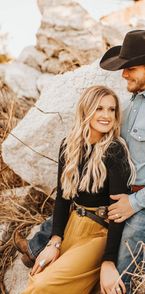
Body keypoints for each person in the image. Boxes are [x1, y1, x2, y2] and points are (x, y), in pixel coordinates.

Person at [14, 30, 145, 293]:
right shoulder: (128, 104)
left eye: (130, 68)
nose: (123, 75)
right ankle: (40, 247)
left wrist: (133, 204)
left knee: (117, 279)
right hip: (118, 194)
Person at [20, 85, 136, 294]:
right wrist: (54, 241)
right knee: (37, 275)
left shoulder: (114, 150)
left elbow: (118, 210)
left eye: (111, 110)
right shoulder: (69, 145)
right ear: (86, 110)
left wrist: (108, 261)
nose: (107, 115)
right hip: (73, 225)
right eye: (99, 108)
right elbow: (63, 199)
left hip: (98, 232)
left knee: (42, 285)